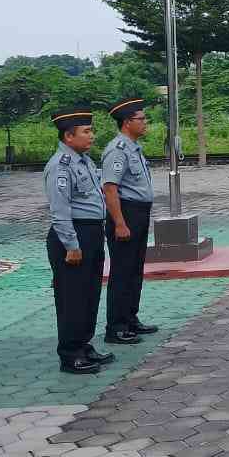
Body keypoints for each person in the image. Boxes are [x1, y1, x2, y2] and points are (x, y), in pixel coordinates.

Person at [43, 107, 111, 374]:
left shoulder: (84, 161)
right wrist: (71, 245)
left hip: (92, 232)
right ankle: (70, 354)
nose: (92, 135)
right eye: (87, 131)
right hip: (72, 236)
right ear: (69, 136)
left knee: (90, 294)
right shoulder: (60, 166)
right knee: (72, 297)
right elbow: (59, 210)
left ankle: (84, 344)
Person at [101, 98, 158, 346]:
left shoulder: (134, 148)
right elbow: (110, 188)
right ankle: (116, 326)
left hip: (139, 212)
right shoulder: (118, 150)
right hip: (125, 213)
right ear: (127, 123)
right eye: (141, 119)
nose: (145, 123)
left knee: (135, 269)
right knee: (122, 271)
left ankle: (130, 318)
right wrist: (120, 223)